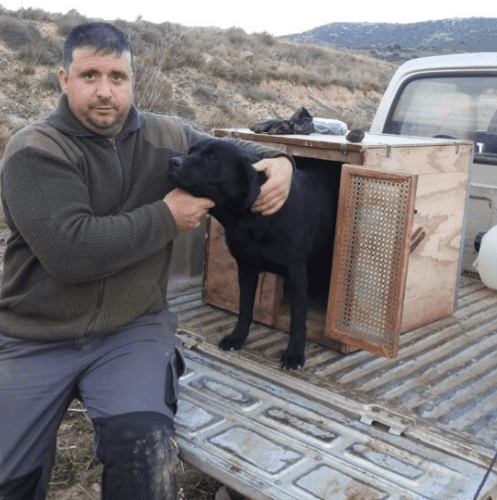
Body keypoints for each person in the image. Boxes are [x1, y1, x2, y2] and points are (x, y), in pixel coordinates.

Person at [0, 22, 294, 500]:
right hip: (37, 334)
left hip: (131, 330)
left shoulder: (166, 133)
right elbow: (72, 253)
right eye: (89, 75)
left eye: (118, 77)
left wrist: (281, 159)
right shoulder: (35, 150)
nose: (104, 91)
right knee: (8, 477)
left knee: (144, 455)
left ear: (132, 80)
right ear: (62, 78)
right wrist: (166, 217)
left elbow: (236, 153)